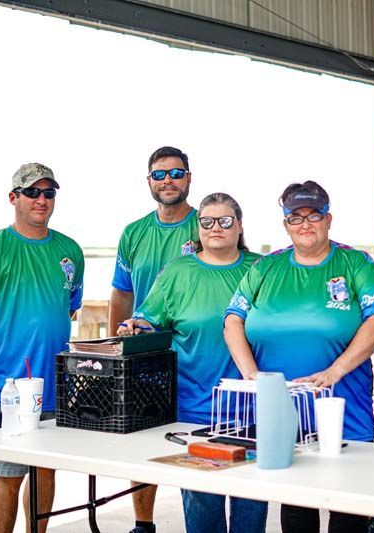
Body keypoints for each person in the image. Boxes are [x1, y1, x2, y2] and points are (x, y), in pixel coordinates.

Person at [224, 180, 374, 533]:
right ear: (285, 223)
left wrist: (334, 371)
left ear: (328, 218)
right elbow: (232, 322)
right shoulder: (265, 268)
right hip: (284, 415)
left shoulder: (356, 263)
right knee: (296, 507)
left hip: (344, 410)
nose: (305, 223)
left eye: (313, 214)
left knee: (347, 508)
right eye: (295, 217)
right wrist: (251, 375)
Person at [119, 192, 267, 533]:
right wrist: (135, 326)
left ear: (239, 225)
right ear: (198, 227)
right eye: (207, 221)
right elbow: (149, 320)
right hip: (195, 411)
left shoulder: (262, 269)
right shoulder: (177, 272)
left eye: (225, 220)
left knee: (251, 512)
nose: (216, 227)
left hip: (253, 410)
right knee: (203, 515)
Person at [0, 163, 84, 533]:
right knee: (9, 475)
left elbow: (68, 309)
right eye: (32, 193)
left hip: (57, 385)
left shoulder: (70, 251)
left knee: (45, 470)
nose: (41, 200)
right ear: (14, 198)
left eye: (49, 193)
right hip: (8, 386)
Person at [109, 146, 199, 533]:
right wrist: (117, 347)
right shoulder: (134, 232)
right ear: (148, 181)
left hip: (194, 354)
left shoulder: (206, 224)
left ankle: (200, 519)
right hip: (145, 354)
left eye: (176, 173)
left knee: (195, 445)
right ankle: (143, 523)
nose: (168, 181)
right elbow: (122, 293)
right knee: (143, 442)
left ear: (189, 178)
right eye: (159, 175)